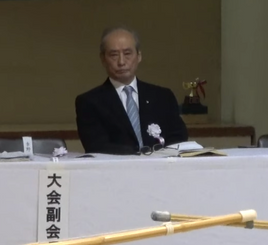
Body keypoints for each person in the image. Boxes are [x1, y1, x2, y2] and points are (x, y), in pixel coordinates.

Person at [75, 26, 188, 154]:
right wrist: (138, 155)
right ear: (103, 59)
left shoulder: (162, 96)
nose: (121, 61)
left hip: (161, 168)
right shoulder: (89, 102)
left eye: (127, 53)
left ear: (139, 56)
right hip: (116, 170)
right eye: (114, 55)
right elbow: (96, 145)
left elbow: (178, 137)